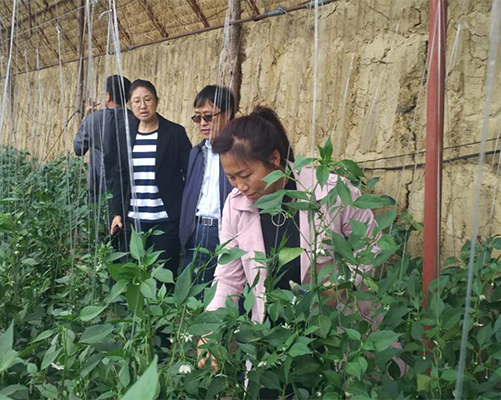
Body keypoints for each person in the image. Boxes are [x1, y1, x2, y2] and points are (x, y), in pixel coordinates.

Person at [198, 106, 380, 370]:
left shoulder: (329, 192)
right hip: (271, 334)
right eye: (231, 177)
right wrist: (211, 329)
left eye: (245, 175)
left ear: (274, 159)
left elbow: (371, 246)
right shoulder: (236, 206)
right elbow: (228, 278)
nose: (240, 186)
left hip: (332, 328)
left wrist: (341, 286)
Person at [110, 80, 192, 276]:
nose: (142, 106)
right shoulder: (125, 134)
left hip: (165, 220)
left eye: (147, 99)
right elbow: (120, 176)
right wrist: (117, 212)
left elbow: (189, 172)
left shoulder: (174, 133)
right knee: (134, 276)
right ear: (130, 105)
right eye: (136, 101)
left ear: (157, 101)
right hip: (133, 220)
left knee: (165, 275)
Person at [179, 86, 235, 285]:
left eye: (209, 117)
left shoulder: (238, 153)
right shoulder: (196, 153)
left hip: (226, 231)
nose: (203, 123)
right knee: (195, 288)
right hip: (196, 229)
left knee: (227, 287)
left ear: (228, 114)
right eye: (198, 117)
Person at [74, 75, 135, 251]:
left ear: (107, 96)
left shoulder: (93, 120)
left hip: (99, 191)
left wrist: (86, 117)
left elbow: (78, 149)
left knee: (101, 242)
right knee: (127, 242)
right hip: (128, 192)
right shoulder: (136, 121)